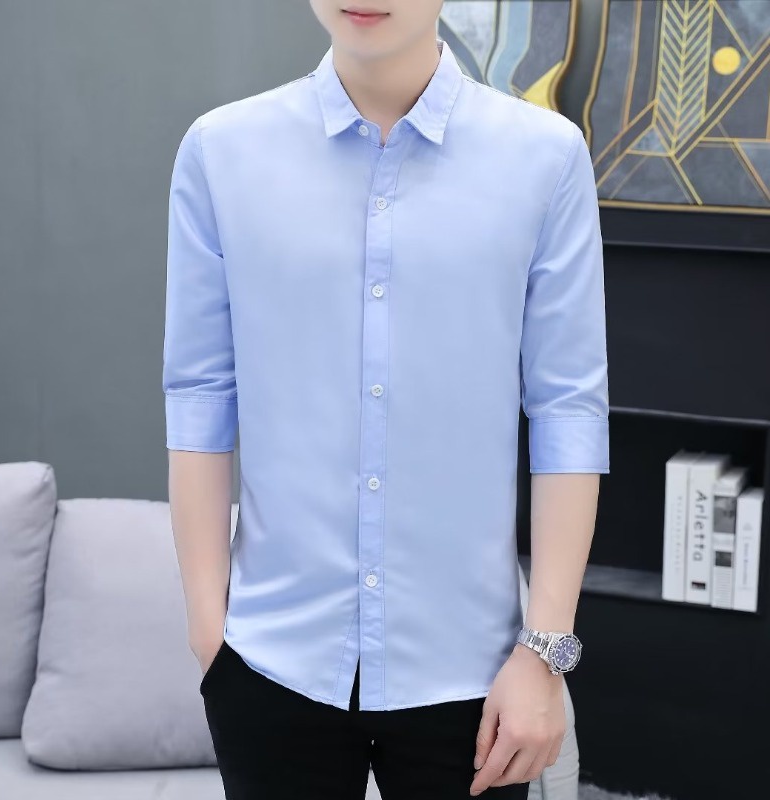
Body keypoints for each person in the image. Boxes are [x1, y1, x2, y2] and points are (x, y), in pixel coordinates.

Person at [162, 2, 609, 799]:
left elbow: (568, 409)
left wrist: (546, 653)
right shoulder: (220, 151)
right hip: (270, 664)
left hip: (476, 674)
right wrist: (208, 632)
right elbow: (200, 393)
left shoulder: (545, 157)